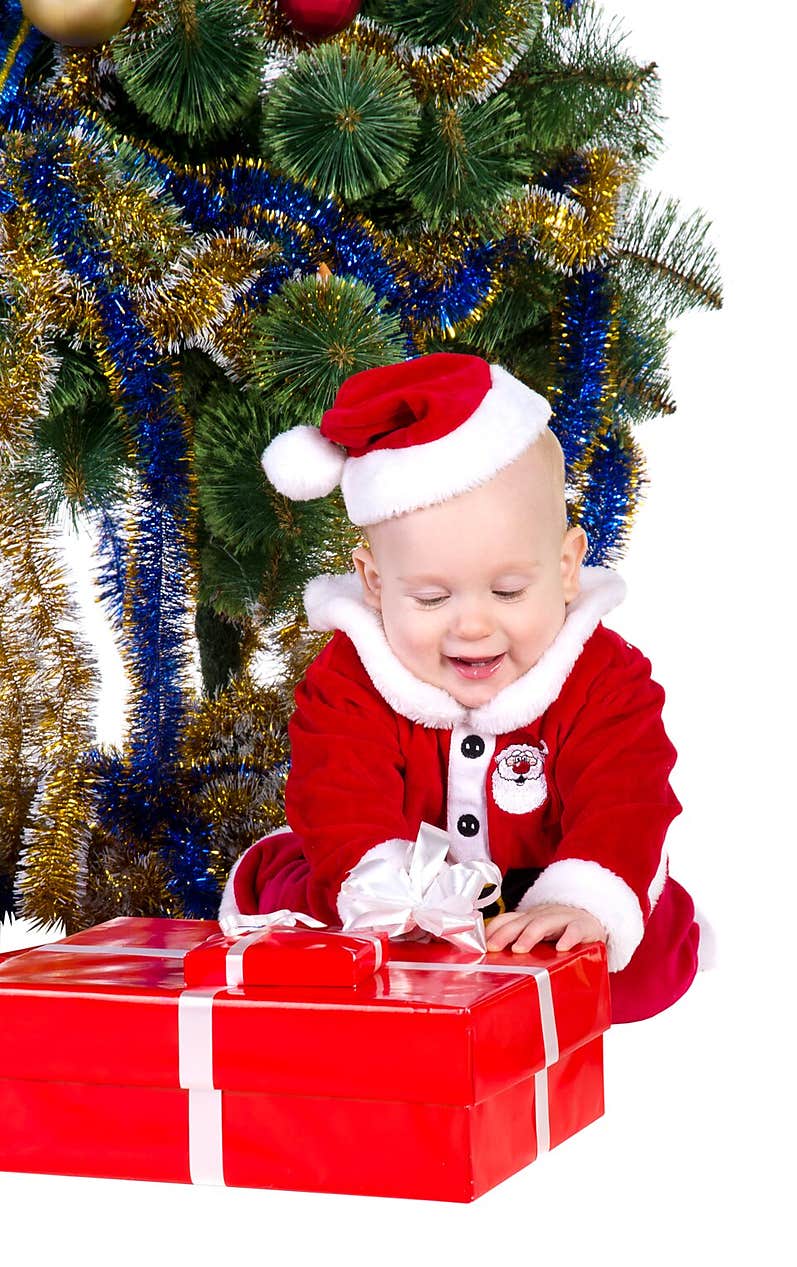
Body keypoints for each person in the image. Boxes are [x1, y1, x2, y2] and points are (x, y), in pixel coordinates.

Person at [221, 352, 712, 1023]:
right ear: (373, 584)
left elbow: (628, 795)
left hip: (542, 873)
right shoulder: (351, 677)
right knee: (325, 941)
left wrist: (586, 902)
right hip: (397, 880)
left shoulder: (604, 676)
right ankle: (281, 883)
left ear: (567, 568)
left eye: (509, 591)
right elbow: (340, 790)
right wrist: (379, 886)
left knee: (638, 967)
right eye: (430, 597)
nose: (473, 626)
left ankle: (594, 919)